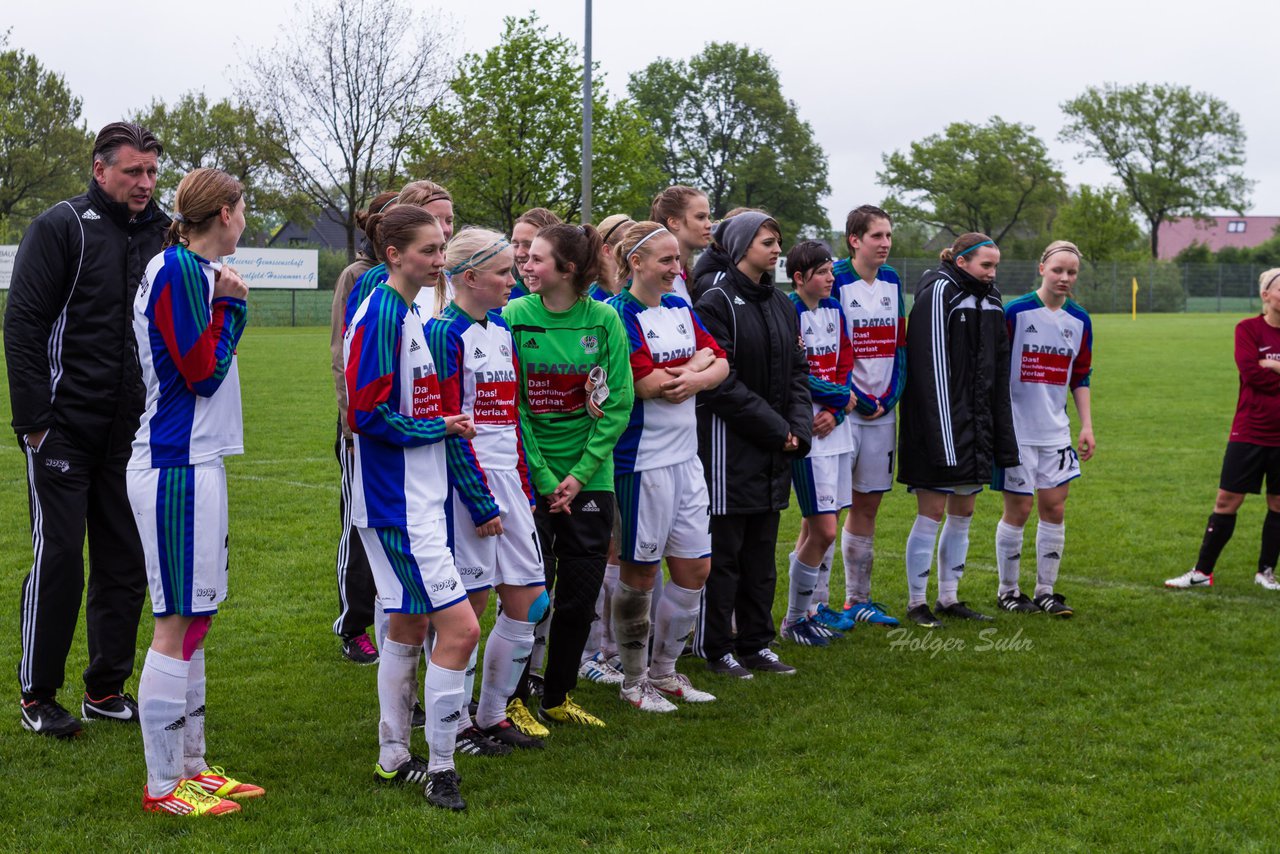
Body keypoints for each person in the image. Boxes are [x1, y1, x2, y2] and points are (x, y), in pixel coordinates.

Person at [6, 122, 168, 738]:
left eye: (152, 172)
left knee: (125, 561)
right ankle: (37, 696)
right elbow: (22, 326)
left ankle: (105, 688)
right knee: (61, 559)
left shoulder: (162, 233)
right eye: (133, 172)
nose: (145, 184)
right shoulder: (61, 227)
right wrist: (36, 425)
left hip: (131, 433)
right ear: (100, 170)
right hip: (63, 431)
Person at [129, 168, 259, 817]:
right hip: (174, 465)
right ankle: (162, 787)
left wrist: (224, 300)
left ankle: (193, 768)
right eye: (244, 209)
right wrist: (233, 307)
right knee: (175, 620)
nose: (246, 219)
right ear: (226, 212)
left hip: (198, 463)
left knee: (196, 620)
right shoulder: (178, 268)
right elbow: (202, 375)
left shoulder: (195, 272)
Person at [344, 205, 478, 811]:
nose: (438, 259)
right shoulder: (381, 313)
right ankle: (443, 766)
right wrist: (438, 428)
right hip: (398, 501)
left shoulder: (406, 310)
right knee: (463, 629)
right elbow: (365, 414)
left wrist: (436, 425)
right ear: (394, 254)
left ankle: (394, 755)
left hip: (414, 495)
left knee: (409, 622)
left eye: (441, 247)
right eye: (427, 250)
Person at [502, 223, 634, 729]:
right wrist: (541, 474)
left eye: (536, 259)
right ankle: (510, 698)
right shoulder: (514, 316)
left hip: (591, 480)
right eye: (525, 256)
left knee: (579, 599)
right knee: (530, 597)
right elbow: (514, 407)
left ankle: (557, 696)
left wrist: (578, 477)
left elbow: (617, 402)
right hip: (531, 480)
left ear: (568, 269)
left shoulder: (603, 321)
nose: (525, 265)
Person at [426, 228, 549, 752]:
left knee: (531, 600)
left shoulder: (500, 329)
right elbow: (450, 426)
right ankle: (455, 726)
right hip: (466, 487)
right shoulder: (443, 333)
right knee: (468, 611)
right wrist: (479, 501)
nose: (513, 278)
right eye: (502, 272)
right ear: (469, 277)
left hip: (508, 482)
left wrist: (521, 485)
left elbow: (511, 419)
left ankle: (493, 714)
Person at [608, 221, 727, 712]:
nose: (676, 268)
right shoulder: (619, 314)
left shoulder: (680, 306)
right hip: (642, 462)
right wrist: (697, 367)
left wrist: (695, 374)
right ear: (635, 263)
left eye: (678, 259)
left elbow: (721, 361)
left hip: (686, 457)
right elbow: (643, 382)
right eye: (665, 260)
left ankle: (666, 672)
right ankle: (633, 681)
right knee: (639, 572)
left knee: (695, 567)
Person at [691, 211, 812, 678]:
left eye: (779, 240)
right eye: (767, 241)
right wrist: (775, 428)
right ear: (742, 246)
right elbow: (720, 384)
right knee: (725, 557)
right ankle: (715, 646)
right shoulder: (715, 301)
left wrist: (795, 428)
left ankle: (757, 644)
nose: (777, 249)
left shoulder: (781, 302)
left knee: (761, 555)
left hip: (774, 448)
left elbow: (798, 371)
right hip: (729, 449)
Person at [896, 233, 1019, 627]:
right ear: (962, 261)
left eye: (996, 265)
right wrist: (944, 437)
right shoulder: (939, 293)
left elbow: (999, 372)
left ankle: (949, 597)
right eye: (986, 265)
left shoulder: (993, 299)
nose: (992, 272)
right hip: (938, 425)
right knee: (931, 512)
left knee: (963, 511)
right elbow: (930, 370)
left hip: (976, 425)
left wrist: (998, 433)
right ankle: (917, 603)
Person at [994, 241, 1094, 616]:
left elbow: (1080, 376)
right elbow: (997, 369)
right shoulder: (1016, 311)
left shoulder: (1080, 320)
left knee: (1054, 507)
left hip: (1056, 432)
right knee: (1018, 509)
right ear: (1042, 269)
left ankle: (1046, 590)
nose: (1065, 278)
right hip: (1017, 431)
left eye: (1072, 273)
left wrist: (1086, 426)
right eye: (1058, 270)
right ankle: (1008, 590)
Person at [1167, 267, 1280, 592]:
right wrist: (1267, 371)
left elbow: (1264, 374)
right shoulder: (1248, 329)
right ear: (1266, 295)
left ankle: (1266, 572)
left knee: (1278, 504)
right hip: (1249, 431)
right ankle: (1202, 572)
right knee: (1227, 500)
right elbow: (1252, 374)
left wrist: (1275, 365)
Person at [330, 190, 399, 666]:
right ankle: (353, 625)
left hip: (403, 428)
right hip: (362, 427)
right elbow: (342, 355)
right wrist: (352, 425)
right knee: (359, 527)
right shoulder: (357, 276)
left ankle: (389, 617)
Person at [830, 206, 906, 629]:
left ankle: (857, 599)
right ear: (854, 239)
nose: (885, 242)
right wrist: (854, 396)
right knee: (827, 511)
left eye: (888, 235)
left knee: (868, 505)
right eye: (877, 235)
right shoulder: (836, 278)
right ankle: (813, 606)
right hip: (843, 410)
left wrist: (891, 395)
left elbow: (899, 345)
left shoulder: (893, 279)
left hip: (881, 411)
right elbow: (830, 345)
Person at [780, 240, 855, 647]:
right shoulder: (786, 311)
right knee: (824, 530)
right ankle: (793, 620)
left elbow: (845, 362)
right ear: (799, 277)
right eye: (823, 272)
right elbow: (792, 371)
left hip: (835, 429)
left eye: (831, 271)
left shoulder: (835, 309)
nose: (831, 278)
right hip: (808, 435)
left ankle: (805, 613)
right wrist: (837, 398)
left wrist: (838, 410)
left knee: (817, 525)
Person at [651, 186, 712, 303]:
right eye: (700, 217)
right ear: (674, 222)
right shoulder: (654, 278)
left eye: (708, 217)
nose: (709, 224)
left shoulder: (684, 276)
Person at [508, 207, 563, 301]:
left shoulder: (579, 301)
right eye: (515, 244)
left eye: (529, 245)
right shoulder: (500, 299)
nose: (519, 253)